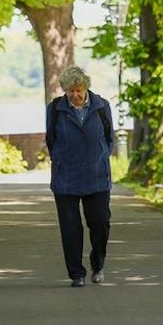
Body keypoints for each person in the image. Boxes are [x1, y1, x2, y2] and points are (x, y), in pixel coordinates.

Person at [45, 64, 115, 287]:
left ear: (86, 88)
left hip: (97, 177)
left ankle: (98, 263)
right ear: (65, 90)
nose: (75, 95)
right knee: (70, 227)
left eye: (79, 90)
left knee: (100, 223)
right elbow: (51, 139)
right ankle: (76, 273)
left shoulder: (102, 106)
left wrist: (100, 158)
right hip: (66, 178)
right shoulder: (55, 109)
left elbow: (109, 138)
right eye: (70, 91)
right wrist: (61, 159)